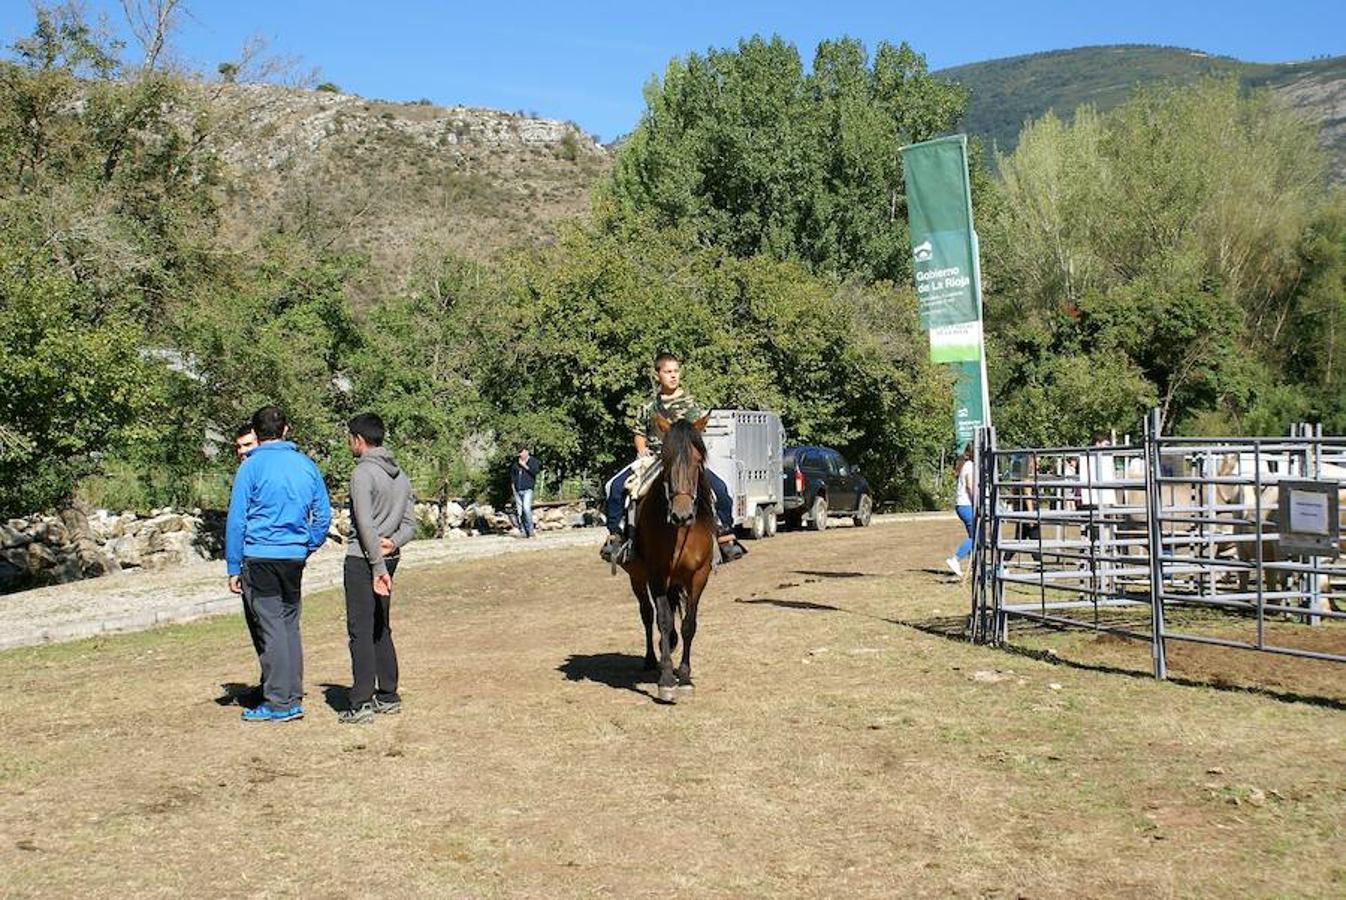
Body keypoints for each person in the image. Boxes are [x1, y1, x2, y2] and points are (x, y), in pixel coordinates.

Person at [225, 405, 332, 723]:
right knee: (287, 625)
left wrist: (233, 565)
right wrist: (307, 543)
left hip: (260, 557)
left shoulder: (251, 467)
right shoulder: (306, 465)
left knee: (270, 627)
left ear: (256, 434)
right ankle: (290, 693)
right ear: (286, 430)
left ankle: (279, 703)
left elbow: (237, 520)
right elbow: (323, 515)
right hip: (293, 558)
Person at [599, 352, 745, 564]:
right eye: (668, 372)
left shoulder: (691, 405)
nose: (673, 376)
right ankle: (616, 535)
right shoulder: (648, 407)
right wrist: (641, 451)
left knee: (721, 489)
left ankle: (725, 534)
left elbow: (696, 434)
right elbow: (639, 433)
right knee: (615, 486)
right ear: (657, 374)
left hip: (684, 459)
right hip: (655, 457)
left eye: (676, 371)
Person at [338, 413, 416, 725]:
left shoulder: (362, 473)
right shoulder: (401, 475)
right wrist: (394, 543)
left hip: (363, 560)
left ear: (358, 439)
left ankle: (360, 701)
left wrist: (376, 564)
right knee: (380, 625)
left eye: (348, 438)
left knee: (360, 629)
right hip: (388, 557)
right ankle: (388, 693)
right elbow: (411, 525)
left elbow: (365, 524)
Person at [945, 443, 976, 579]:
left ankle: (975, 567)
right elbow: (970, 486)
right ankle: (955, 559)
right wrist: (976, 502)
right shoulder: (970, 466)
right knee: (976, 537)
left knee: (975, 536)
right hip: (967, 505)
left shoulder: (967, 465)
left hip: (963, 505)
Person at [510, 447, 542, 538]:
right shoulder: (515, 463)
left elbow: (535, 472)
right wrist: (513, 489)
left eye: (522, 452)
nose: (521, 455)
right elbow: (512, 477)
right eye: (519, 453)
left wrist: (524, 466)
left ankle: (531, 530)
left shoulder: (534, 461)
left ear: (527, 451)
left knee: (526, 508)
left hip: (528, 489)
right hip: (517, 490)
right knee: (520, 512)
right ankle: (523, 531)